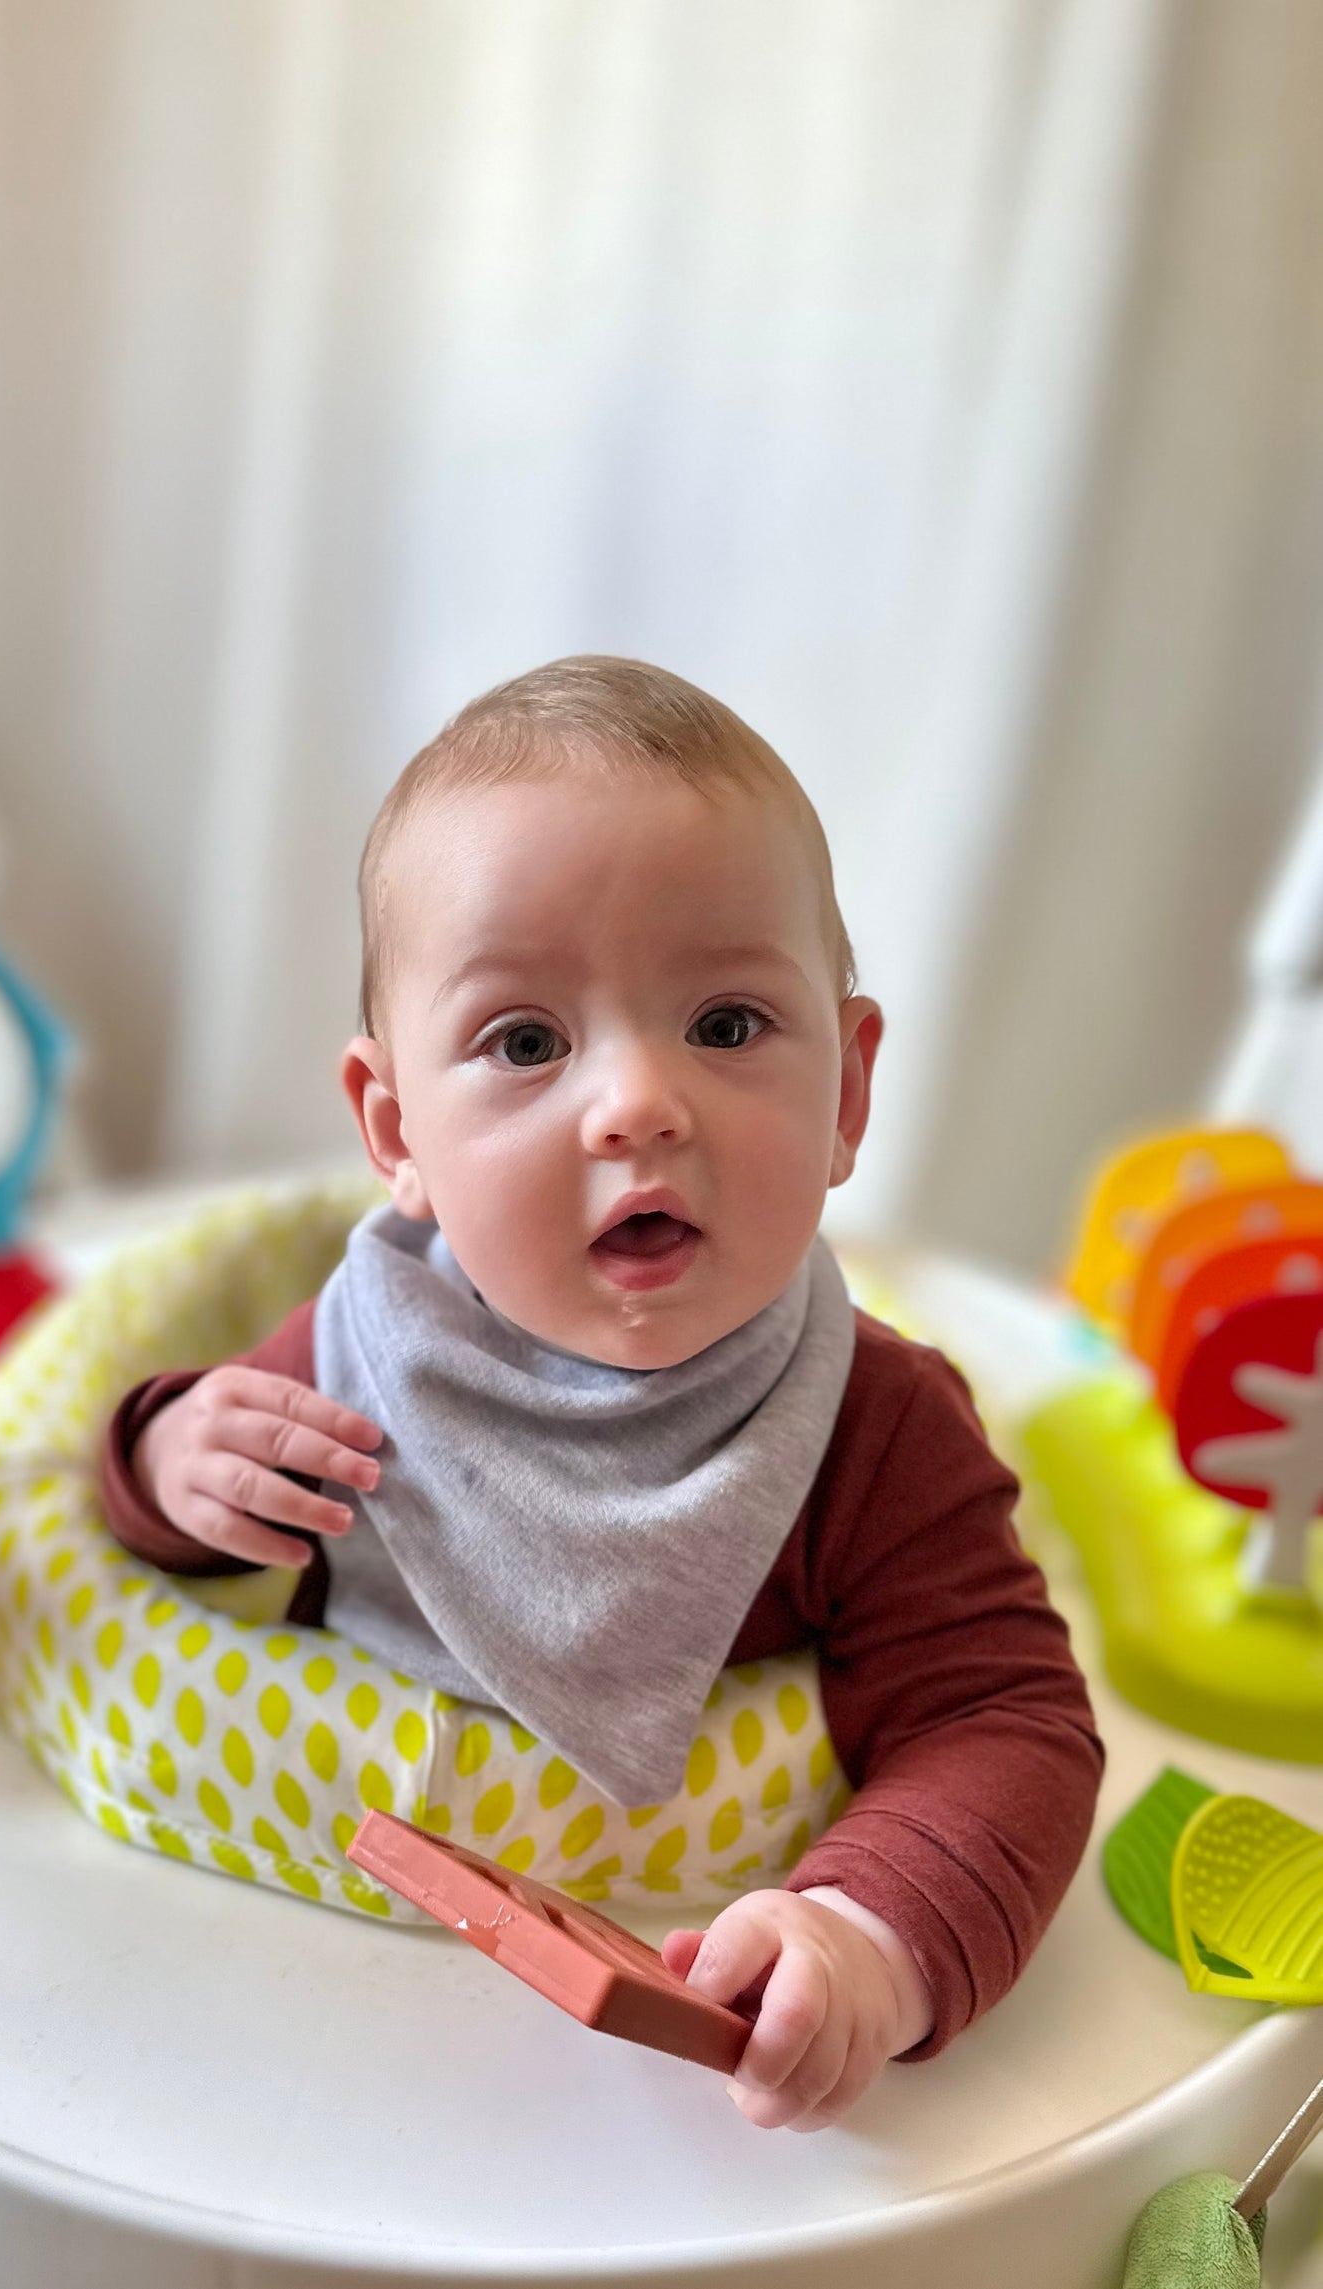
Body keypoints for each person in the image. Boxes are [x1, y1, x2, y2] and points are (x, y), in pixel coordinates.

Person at [101, 655, 1103, 2132]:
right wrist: (173, 1454)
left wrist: (867, 1937)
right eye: (525, 1041)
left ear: (845, 1094)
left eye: (725, 1024)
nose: (637, 1101)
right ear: (397, 1130)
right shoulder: (368, 1340)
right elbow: (171, 1531)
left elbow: (1006, 1719)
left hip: (647, 2074)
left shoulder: (875, 1426)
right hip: (297, 2017)